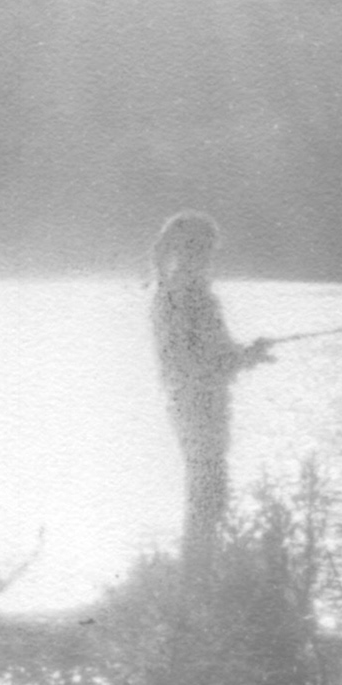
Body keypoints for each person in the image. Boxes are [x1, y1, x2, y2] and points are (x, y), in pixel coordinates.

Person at [149, 212, 273, 575]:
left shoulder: (173, 291)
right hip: (198, 403)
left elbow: (207, 355)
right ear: (196, 249)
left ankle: (197, 576)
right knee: (209, 491)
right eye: (207, 249)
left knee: (205, 489)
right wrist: (245, 357)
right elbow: (200, 361)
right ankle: (198, 578)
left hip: (188, 401)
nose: (210, 258)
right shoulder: (189, 296)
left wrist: (246, 355)